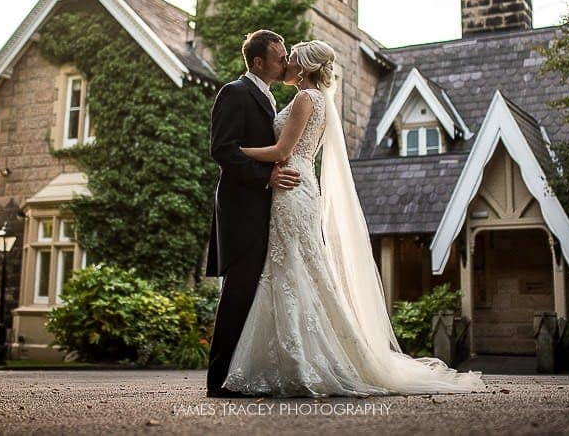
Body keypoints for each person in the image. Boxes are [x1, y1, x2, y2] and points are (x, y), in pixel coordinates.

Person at [219, 40, 487, 397]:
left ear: (304, 66)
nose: (286, 62)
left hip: (291, 185)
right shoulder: (316, 99)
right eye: (282, 56)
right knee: (297, 270)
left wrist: (238, 153)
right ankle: (296, 358)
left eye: (291, 58)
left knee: (293, 269)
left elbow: (283, 150)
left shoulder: (305, 98)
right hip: (298, 184)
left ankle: (301, 362)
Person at [205, 30, 302, 398]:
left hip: (266, 210)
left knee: (255, 295)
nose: (285, 60)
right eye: (279, 56)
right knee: (238, 293)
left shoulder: (269, 96)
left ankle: (245, 374)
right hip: (241, 211)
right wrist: (268, 175)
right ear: (258, 61)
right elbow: (223, 151)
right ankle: (218, 381)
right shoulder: (234, 93)